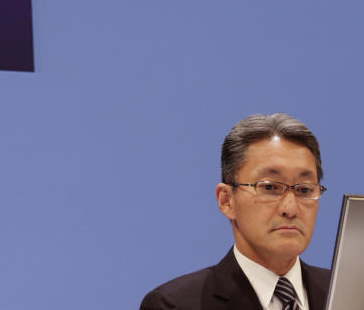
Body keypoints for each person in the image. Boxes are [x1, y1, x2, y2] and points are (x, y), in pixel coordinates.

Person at [140, 113, 330, 310]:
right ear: (226, 200)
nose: (290, 209)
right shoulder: (174, 305)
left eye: (304, 190)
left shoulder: (350, 294)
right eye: (270, 187)